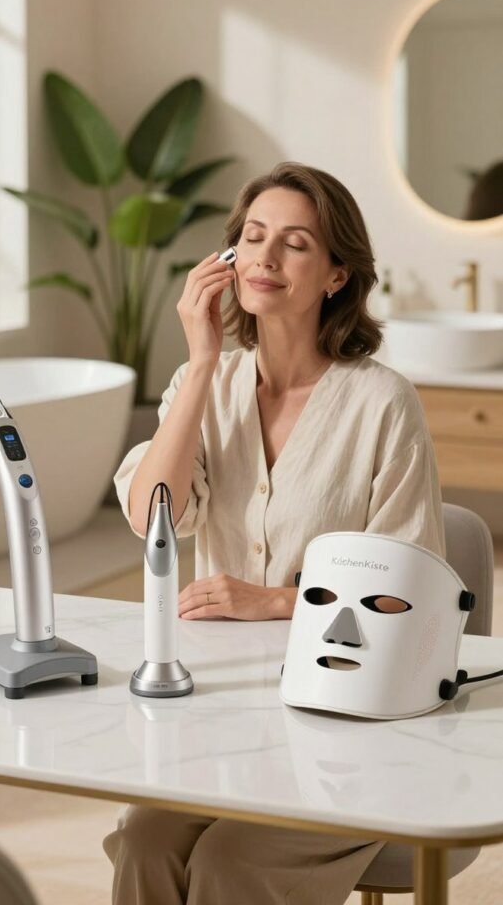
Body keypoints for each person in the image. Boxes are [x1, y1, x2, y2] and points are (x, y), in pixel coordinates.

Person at [105, 162, 445, 905]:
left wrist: (274, 601)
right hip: (223, 708)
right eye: (252, 237)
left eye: (294, 243)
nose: (264, 257)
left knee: (231, 860)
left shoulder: (382, 403)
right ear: (226, 262)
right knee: (143, 839)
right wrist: (198, 364)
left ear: (334, 275)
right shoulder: (210, 384)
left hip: (352, 719)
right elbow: (149, 518)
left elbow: (407, 592)